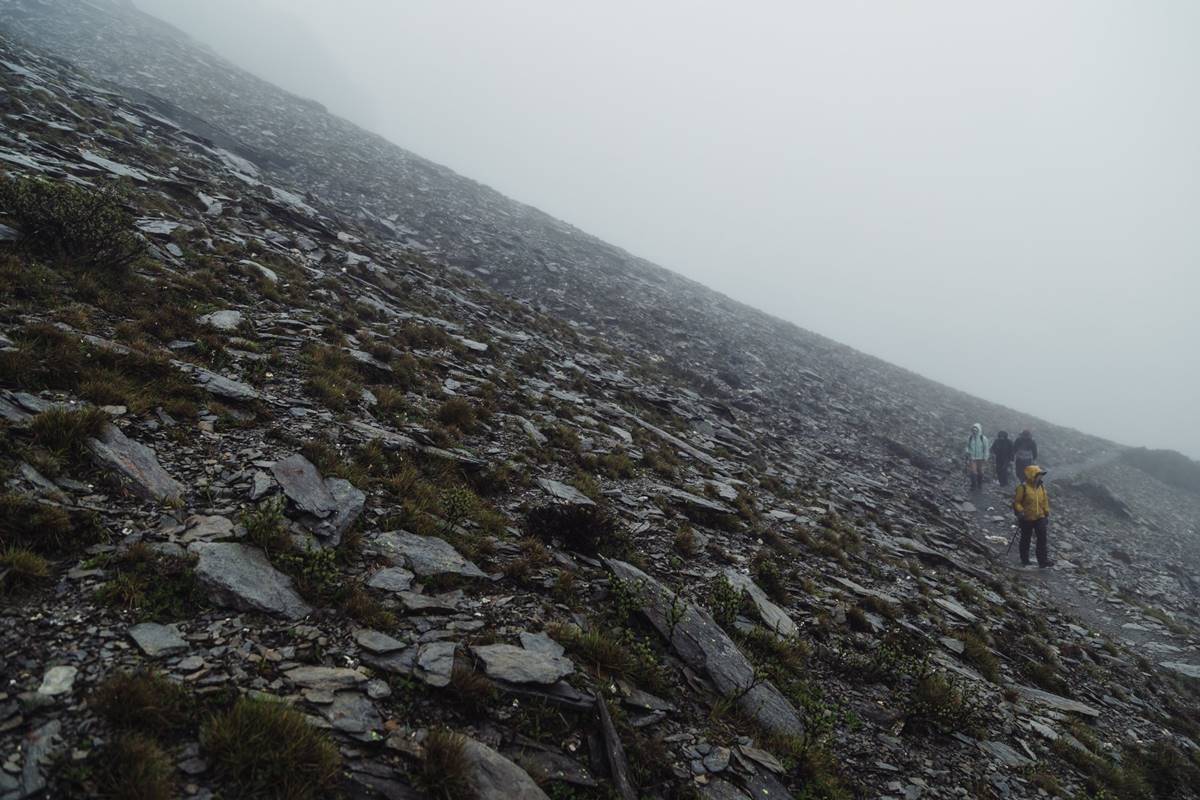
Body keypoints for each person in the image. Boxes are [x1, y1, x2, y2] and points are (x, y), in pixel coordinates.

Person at [1013, 465, 1052, 568]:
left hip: (1040, 517)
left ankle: (1043, 561)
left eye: (1041, 475)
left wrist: (1046, 513)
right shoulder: (1023, 487)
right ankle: (1025, 560)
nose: (1040, 477)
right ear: (1031, 475)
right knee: (1026, 538)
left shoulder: (1041, 487)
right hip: (1027, 518)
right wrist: (1020, 511)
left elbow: (1045, 501)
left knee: (1042, 539)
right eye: (1038, 475)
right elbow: (1017, 502)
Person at [964, 423, 990, 491]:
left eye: (976, 430)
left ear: (979, 430)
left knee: (980, 472)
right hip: (972, 458)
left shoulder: (983, 438)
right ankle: (973, 485)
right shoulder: (970, 438)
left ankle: (979, 484)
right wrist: (967, 451)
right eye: (973, 430)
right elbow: (967, 446)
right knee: (973, 472)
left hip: (981, 458)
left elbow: (986, 449)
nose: (974, 431)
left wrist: (985, 457)